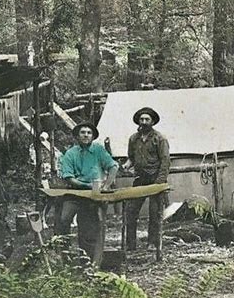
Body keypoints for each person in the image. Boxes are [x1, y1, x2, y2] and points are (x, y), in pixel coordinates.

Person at [56, 122, 118, 264]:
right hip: (75, 193)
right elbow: (69, 177)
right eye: (82, 132)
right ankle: (63, 253)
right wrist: (86, 185)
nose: (86, 135)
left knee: (89, 224)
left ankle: (88, 259)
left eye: (89, 133)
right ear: (77, 136)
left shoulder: (99, 150)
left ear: (93, 136)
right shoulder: (71, 153)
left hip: (94, 194)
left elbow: (113, 166)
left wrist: (106, 185)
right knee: (64, 219)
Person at [122, 107, 170, 251]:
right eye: (141, 119)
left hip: (155, 179)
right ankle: (131, 244)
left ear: (152, 121)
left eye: (147, 119)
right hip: (139, 179)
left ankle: (152, 243)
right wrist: (126, 165)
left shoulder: (160, 139)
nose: (143, 122)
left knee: (154, 213)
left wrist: (160, 182)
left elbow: (165, 161)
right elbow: (131, 157)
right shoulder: (133, 139)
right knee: (131, 211)